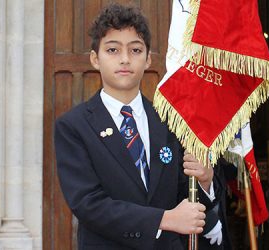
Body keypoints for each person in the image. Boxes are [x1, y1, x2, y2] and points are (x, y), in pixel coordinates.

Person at [54, 3, 223, 249]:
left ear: (147, 59)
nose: (124, 59)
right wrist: (164, 219)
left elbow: (185, 200)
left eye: (135, 50)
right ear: (95, 59)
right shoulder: (74, 126)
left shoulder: (170, 121)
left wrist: (205, 181)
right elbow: (88, 204)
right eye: (112, 49)